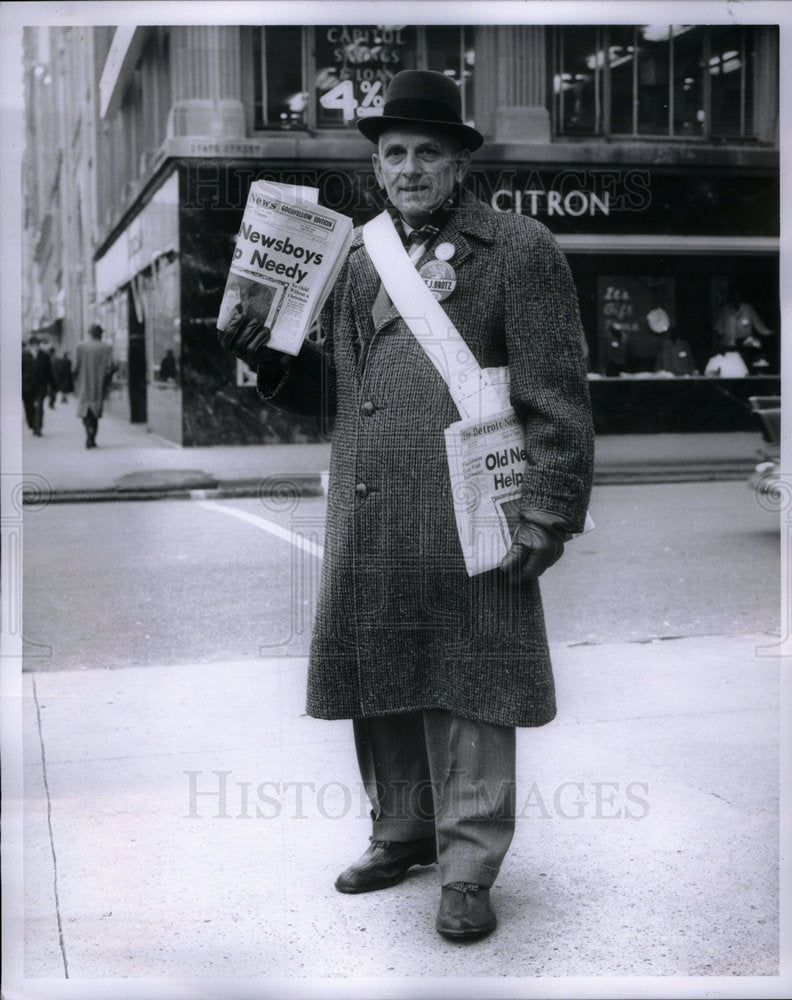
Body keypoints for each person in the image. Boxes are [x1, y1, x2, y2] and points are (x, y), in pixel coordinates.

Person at [222, 70, 594, 941]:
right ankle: (401, 831)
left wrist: (548, 509)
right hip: (375, 503)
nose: (411, 167)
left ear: (460, 163)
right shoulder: (354, 258)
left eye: (429, 152)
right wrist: (266, 353)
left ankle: (467, 867)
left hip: (476, 509)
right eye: (395, 153)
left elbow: (559, 396)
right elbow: (340, 389)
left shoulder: (521, 249)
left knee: (474, 681)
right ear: (378, 167)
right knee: (381, 673)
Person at [74, 323, 116, 448]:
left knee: (85, 412)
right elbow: (112, 366)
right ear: (100, 334)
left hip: (83, 384)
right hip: (99, 385)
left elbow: (75, 366)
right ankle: (92, 435)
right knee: (95, 413)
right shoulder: (106, 347)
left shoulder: (80, 346)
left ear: (89, 333)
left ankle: (89, 431)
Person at [713, 286, 774, 370]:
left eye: (738, 296)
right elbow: (718, 329)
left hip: (745, 346)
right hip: (729, 346)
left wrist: (770, 333)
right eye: (734, 296)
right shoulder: (725, 310)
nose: (736, 299)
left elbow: (759, 325)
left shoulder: (748, 309)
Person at [21, 335, 57, 436]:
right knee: (28, 407)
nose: (36, 347)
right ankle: (32, 423)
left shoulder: (44, 356)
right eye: (34, 345)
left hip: (40, 386)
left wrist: (53, 385)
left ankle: (38, 428)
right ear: (30, 346)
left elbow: (49, 372)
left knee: (39, 406)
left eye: (37, 345)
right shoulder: (24, 356)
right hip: (27, 387)